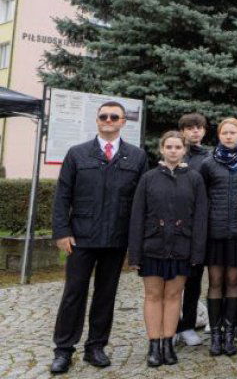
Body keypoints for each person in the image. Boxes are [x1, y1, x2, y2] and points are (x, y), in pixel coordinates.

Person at [49, 102, 149, 374]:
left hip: (116, 240)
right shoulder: (78, 154)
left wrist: (135, 243)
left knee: (106, 295)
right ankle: (63, 350)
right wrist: (62, 232)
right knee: (73, 294)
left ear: (122, 122)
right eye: (103, 116)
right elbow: (62, 197)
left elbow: (141, 204)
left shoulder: (137, 157)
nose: (108, 120)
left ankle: (95, 347)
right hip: (81, 238)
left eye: (113, 117)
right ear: (97, 120)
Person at [128, 131, 208, 367]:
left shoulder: (194, 178)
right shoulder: (149, 178)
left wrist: (197, 253)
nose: (173, 151)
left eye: (177, 147)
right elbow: (137, 216)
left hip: (182, 246)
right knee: (153, 295)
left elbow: (201, 218)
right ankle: (154, 344)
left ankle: (167, 343)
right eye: (169, 147)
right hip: (152, 245)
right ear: (161, 149)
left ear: (184, 150)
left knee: (173, 296)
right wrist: (135, 253)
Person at [200, 118, 237, 356]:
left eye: (233, 132)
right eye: (225, 132)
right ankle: (215, 334)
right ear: (219, 135)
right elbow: (201, 200)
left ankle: (230, 333)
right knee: (215, 282)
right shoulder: (207, 164)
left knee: (233, 281)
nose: (229, 136)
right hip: (214, 232)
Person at [177, 112, 210, 347]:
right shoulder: (174, 152)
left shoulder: (209, 158)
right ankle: (169, 326)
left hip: (199, 227)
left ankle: (187, 324)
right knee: (171, 280)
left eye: (198, 128)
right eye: (189, 128)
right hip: (174, 229)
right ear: (182, 131)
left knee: (193, 279)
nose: (194, 131)